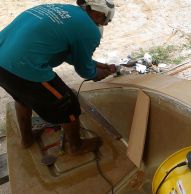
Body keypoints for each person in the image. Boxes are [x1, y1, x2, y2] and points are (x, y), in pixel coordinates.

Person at [0, 0, 116, 155]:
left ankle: (27, 139)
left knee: (23, 98)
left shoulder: (64, 11)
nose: (105, 25)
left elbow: (65, 52)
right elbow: (84, 70)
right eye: (105, 20)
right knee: (68, 103)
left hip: (3, 61)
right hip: (24, 66)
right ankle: (76, 146)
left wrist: (97, 65)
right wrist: (96, 74)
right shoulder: (90, 30)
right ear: (98, 12)